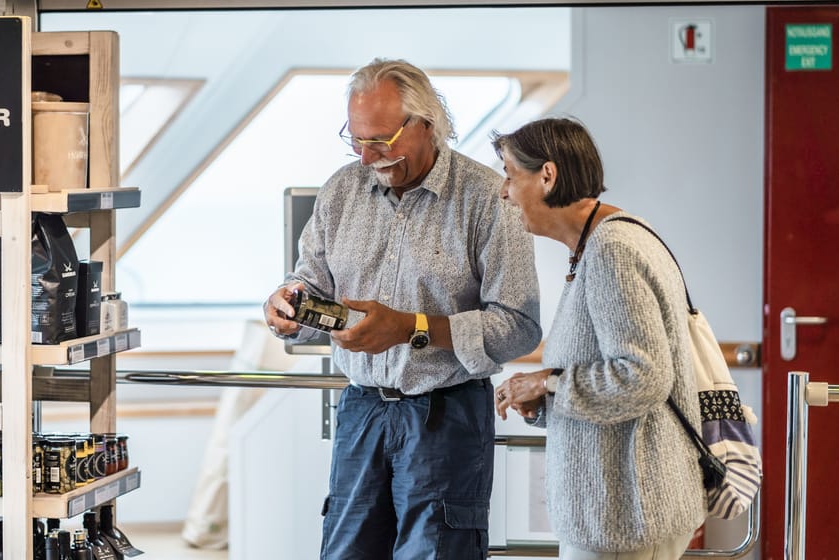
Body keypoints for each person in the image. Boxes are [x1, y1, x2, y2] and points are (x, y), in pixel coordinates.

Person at [264, 58, 542, 560]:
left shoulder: (489, 198)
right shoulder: (341, 190)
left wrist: (410, 329)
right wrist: (289, 305)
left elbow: (518, 327)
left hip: (447, 414)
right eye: (357, 140)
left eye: (383, 141)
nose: (369, 156)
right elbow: (308, 281)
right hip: (360, 411)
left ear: (427, 124)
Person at [491, 117, 706, 560]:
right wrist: (546, 400)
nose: (503, 192)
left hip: (626, 517)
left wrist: (546, 382)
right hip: (618, 513)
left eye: (510, 176)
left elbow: (643, 376)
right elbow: (610, 376)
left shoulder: (612, 250)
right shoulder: (599, 244)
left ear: (547, 176)